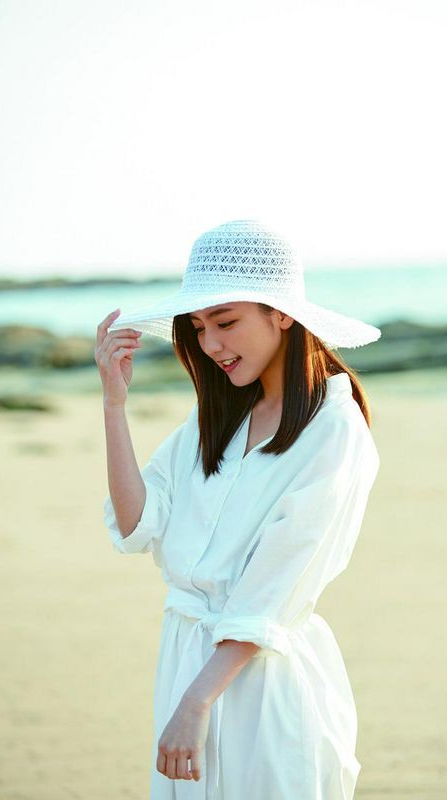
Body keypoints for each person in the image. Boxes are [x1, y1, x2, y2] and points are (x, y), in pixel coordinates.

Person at [96, 219, 382, 800]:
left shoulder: (334, 427)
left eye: (226, 322)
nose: (211, 345)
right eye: (200, 327)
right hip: (187, 663)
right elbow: (135, 524)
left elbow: (277, 584)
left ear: (282, 314)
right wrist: (113, 404)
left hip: (260, 679)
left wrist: (196, 701)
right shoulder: (218, 418)